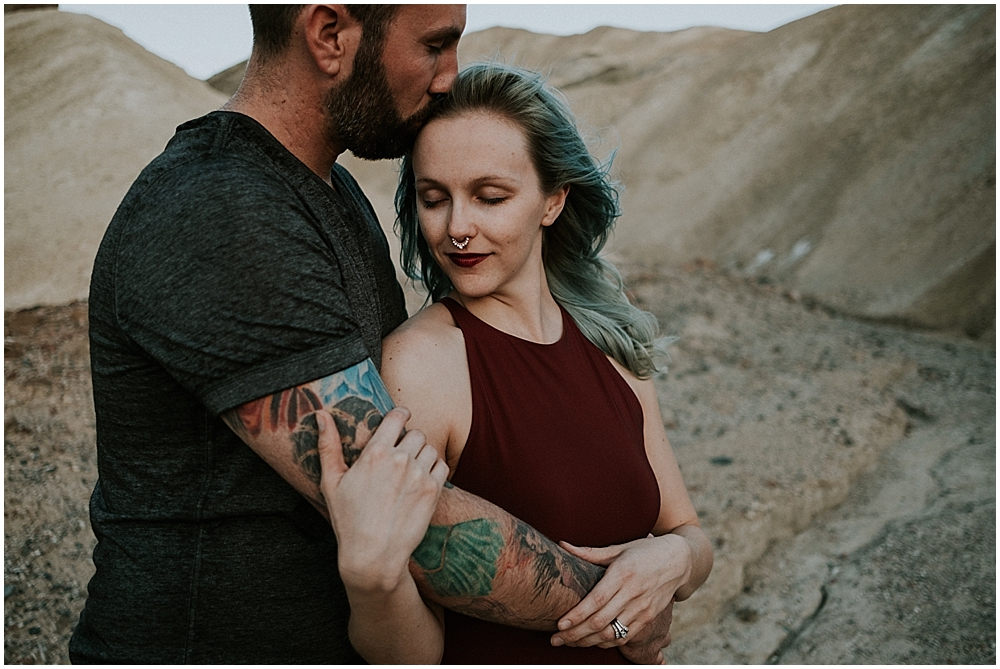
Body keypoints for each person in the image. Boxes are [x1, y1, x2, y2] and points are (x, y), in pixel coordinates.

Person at [71, 5, 668, 664]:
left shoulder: (330, 191)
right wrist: (624, 600)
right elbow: (407, 514)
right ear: (330, 36)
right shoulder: (223, 208)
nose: (449, 76)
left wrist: (677, 552)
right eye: (435, 45)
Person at [373, 62, 715, 663]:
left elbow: (687, 531)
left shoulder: (612, 347)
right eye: (434, 199)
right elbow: (407, 648)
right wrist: (367, 581)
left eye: (489, 196)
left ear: (553, 201)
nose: (456, 228)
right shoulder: (423, 363)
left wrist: (675, 558)